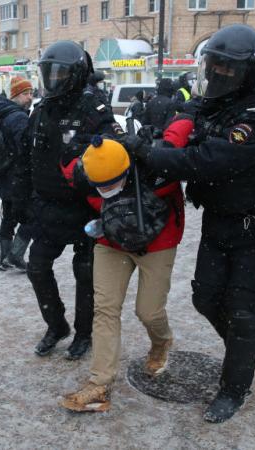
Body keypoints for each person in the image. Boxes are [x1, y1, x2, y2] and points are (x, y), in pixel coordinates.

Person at [122, 24, 255, 423]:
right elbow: (188, 116)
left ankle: (235, 387)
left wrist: (150, 154)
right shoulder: (222, 101)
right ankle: (240, 350)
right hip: (220, 222)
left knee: (241, 309)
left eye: (226, 68)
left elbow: (209, 161)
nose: (217, 74)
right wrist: (158, 131)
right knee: (205, 297)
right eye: (212, 66)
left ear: (247, 70)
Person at [13, 40, 124, 361]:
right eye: (49, 73)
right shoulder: (42, 110)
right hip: (47, 208)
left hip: (84, 210)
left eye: (60, 73)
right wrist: (21, 202)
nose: (54, 80)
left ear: (75, 75)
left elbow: (115, 160)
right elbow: (26, 158)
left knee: (85, 274)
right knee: (37, 266)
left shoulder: (95, 111)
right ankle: (56, 325)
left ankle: (84, 333)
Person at [60, 136, 185, 413]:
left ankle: (161, 342)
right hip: (111, 241)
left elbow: (180, 136)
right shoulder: (85, 173)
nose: (106, 190)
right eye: (99, 186)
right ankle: (99, 385)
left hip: (157, 241)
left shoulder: (157, 169)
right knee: (105, 309)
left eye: (111, 184)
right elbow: (66, 166)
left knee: (149, 312)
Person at [0, 76, 34, 271]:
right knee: (32, 217)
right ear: (15, 95)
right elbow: (25, 148)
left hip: (6, 174)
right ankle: (14, 256)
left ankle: (4, 258)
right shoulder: (18, 117)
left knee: (9, 217)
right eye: (25, 94)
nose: (30, 97)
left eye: (31, 93)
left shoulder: (3, 113)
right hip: (18, 176)